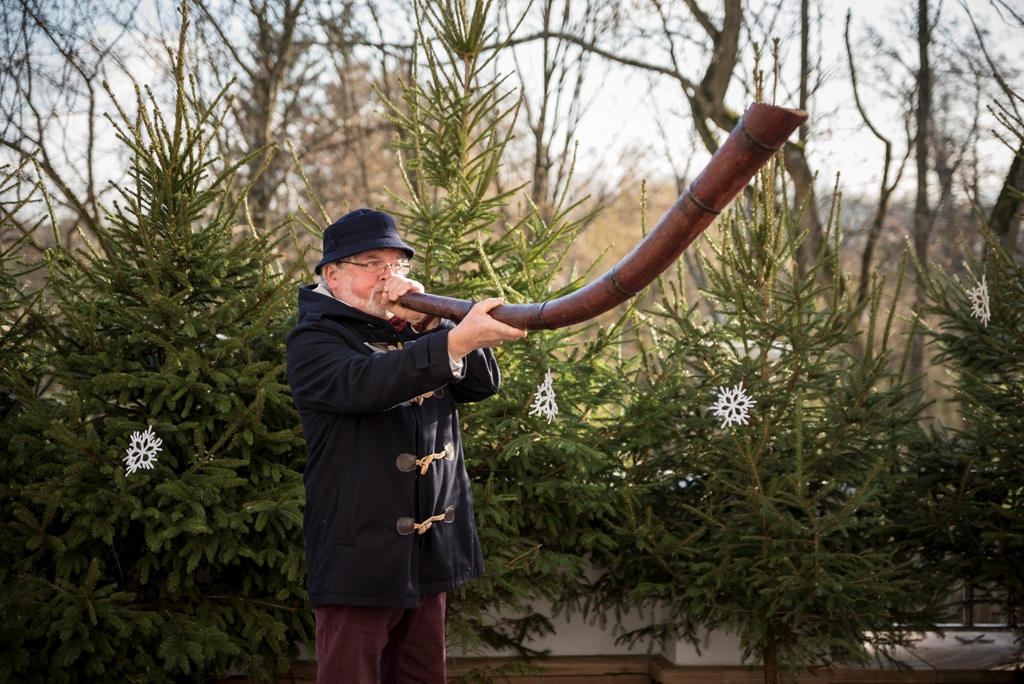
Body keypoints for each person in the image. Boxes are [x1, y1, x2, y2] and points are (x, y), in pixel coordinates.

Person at [286, 208, 526, 684]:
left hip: (428, 550)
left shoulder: (410, 328)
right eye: (372, 263)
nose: (388, 275)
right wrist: (451, 343)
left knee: (421, 675)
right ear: (332, 275)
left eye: (396, 264)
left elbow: (481, 385)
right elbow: (364, 383)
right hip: (359, 554)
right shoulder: (313, 337)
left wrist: (431, 326)